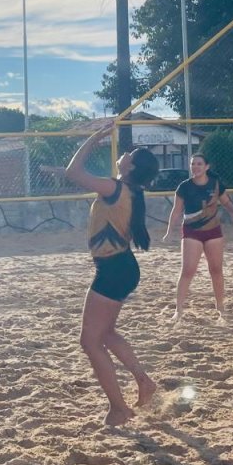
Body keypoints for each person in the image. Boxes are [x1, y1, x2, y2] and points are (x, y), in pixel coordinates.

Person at [64, 125, 160, 427]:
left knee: (89, 342)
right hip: (121, 267)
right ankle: (144, 382)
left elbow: (73, 172)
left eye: (130, 154)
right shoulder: (129, 190)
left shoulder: (116, 188)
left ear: (131, 166)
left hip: (114, 269)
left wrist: (93, 139)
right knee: (104, 334)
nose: (125, 154)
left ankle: (119, 409)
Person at [163, 152, 233, 320]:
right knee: (188, 270)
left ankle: (220, 307)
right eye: (193, 164)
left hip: (213, 231)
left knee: (216, 269)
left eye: (199, 164)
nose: (195, 167)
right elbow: (176, 211)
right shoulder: (184, 186)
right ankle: (178, 310)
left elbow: (227, 203)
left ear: (207, 167)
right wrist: (169, 231)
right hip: (191, 232)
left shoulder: (215, 184)